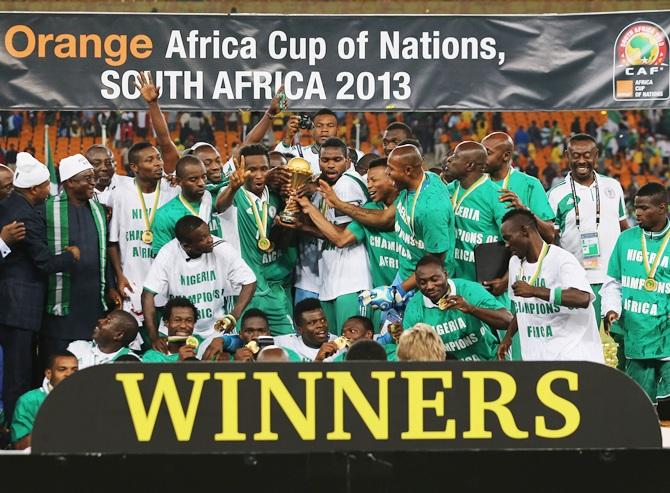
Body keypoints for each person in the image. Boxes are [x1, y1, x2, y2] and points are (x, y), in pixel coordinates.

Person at [318, 144, 454, 308]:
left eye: (391, 169)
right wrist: (338, 203)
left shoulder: (431, 209)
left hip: (425, 285)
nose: (387, 174)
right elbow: (384, 218)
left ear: (408, 170)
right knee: (390, 331)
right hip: (404, 274)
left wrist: (398, 291)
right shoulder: (415, 185)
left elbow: (435, 264)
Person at [0, 153, 79, 424]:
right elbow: (44, 262)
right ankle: (17, 429)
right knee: (18, 372)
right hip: (18, 306)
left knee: (16, 369)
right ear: (34, 189)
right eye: (47, 185)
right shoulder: (24, 215)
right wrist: (71, 255)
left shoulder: (9, 205)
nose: (50, 189)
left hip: (12, 304)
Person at [296, 157, 399, 331]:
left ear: (392, 179)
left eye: (374, 180)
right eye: (368, 181)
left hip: (407, 289)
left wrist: (337, 202)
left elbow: (386, 219)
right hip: (381, 293)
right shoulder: (370, 208)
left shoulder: (407, 203)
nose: (369, 186)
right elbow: (341, 238)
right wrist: (308, 207)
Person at [548, 133, 628, 352]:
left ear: (597, 156)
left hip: (613, 278)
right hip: (578, 281)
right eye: (575, 155)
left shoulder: (613, 187)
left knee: (623, 341)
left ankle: (624, 385)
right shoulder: (556, 195)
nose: (581, 161)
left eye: (587, 155)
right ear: (567, 156)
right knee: (579, 342)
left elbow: (624, 228)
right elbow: (551, 239)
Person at [41, 154, 121, 367]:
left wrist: (111, 286)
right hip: (61, 303)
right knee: (58, 360)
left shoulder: (98, 209)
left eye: (93, 177)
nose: (93, 182)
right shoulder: (47, 210)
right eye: (87, 178)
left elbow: (103, 252)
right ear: (70, 182)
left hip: (93, 299)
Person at [284, 138, 371, 332]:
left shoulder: (347, 184)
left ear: (348, 161)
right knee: (335, 347)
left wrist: (305, 220)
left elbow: (342, 237)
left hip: (351, 282)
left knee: (351, 345)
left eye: (337, 159)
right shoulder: (329, 185)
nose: (330, 165)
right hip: (332, 280)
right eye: (325, 160)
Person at [498, 209, 604, 362]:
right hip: (536, 358)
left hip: (571, 356)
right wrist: (508, 337)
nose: (506, 245)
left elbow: (583, 298)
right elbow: (524, 309)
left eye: (508, 238)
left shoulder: (561, 260)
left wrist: (535, 291)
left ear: (524, 231)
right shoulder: (515, 263)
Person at [142, 215, 256, 351]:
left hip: (215, 330)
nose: (210, 239)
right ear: (187, 246)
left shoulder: (222, 248)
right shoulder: (167, 254)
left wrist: (233, 316)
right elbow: (147, 294)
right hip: (179, 331)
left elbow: (250, 282)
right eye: (203, 238)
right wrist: (154, 337)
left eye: (209, 234)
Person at [602, 183, 670, 402]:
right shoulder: (626, 239)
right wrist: (611, 308)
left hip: (666, 335)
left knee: (667, 409)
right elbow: (613, 282)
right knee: (641, 407)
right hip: (636, 336)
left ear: (662, 207)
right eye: (636, 208)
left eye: (644, 208)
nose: (638, 213)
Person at [216, 144, 294, 335]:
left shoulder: (277, 196)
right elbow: (220, 205)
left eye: (264, 169)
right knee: (243, 347)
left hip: (274, 289)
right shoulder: (235, 194)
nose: (259, 175)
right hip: (244, 291)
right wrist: (233, 186)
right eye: (252, 169)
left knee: (288, 340)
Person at [108, 141, 180, 329]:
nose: (158, 163)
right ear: (134, 167)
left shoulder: (172, 190)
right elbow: (113, 242)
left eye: (158, 158)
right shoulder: (120, 194)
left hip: (168, 280)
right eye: (150, 160)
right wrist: (119, 276)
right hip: (132, 281)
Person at [402, 255, 512, 361]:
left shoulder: (469, 290)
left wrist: (472, 309)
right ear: (417, 282)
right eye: (423, 282)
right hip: (451, 373)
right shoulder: (414, 307)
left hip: (489, 362)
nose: (429, 286)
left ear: (446, 274)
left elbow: (508, 320)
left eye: (434, 280)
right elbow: (410, 354)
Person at [444, 141, 509, 285]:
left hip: (485, 284)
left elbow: (516, 241)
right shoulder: (448, 190)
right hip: (454, 281)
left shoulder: (496, 196)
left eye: (455, 157)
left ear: (469, 166)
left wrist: (505, 280)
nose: (449, 159)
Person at [151, 155, 218, 254]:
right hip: (184, 268)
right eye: (193, 179)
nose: (201, 183)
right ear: (178, 181)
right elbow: (162, 258)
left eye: (203, 177)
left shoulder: (216, 201)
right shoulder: (164, 215)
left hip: (217, 266)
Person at [11, 351, 78, 450]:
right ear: (48, 374)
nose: (69, 374)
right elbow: (20, 446)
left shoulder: (89, 398)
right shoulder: (28, 400)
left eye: (74, 370)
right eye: (62, 369)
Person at [274, 108, 363, 176]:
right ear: (312, 130)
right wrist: (288, 138)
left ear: (338, 129)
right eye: (319, 126)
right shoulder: (298, 153)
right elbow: (276, 161)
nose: (324, 130)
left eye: (330, 126)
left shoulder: (354, 155)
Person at [275, 299, 344, 362]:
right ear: (299, 329)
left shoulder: (339, 346)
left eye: (323, 320)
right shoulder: (284, 343)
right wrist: (318, 360)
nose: (320, 325)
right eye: (312, 323)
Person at [66, 310, 140, 369]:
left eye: (108, 321)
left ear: (119, 335)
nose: (100, 320)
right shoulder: (77, 347)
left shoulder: (130, 362)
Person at [142, 297, 204, 362]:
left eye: (189, 320)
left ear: (194, 323)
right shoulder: (152, 356)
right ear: (166, 322)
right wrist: (179, 361)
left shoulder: (203, 347)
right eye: (177, 320)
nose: (183, 325)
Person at [199, 308, 273, 362]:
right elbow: (231, 341)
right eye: (249, 331)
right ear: (240, 335)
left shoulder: (280, 354)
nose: (255, 336)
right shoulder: (233, 356)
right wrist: (235, 365)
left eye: (261, 331)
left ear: (269, 334)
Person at [332, 315, 397, 361]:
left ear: (368, 334)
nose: (346, 336)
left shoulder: (391, 353)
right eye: (343, 332)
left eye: (352, 331)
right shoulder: (340, 360)